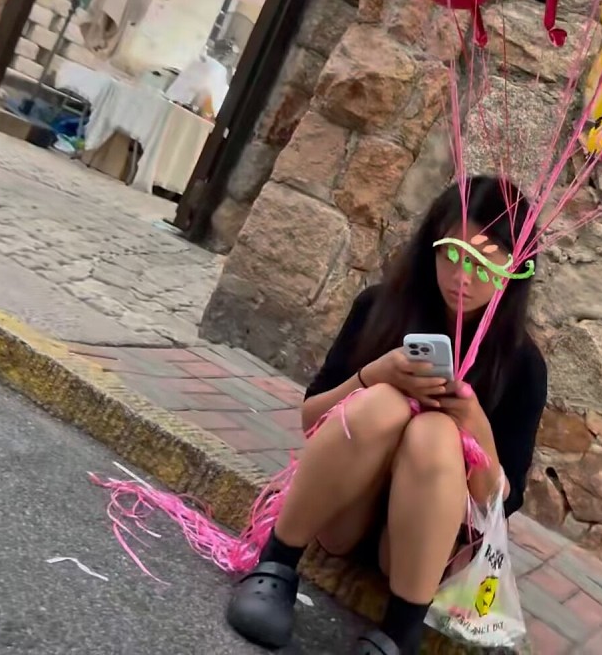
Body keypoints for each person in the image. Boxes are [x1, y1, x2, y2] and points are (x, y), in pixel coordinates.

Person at [225, 176, 548, 654]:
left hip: (417, 552)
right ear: (430, 246)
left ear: (515, 267)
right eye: (452, 254)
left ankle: (399, 633)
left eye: (483, 262)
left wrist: (473, 423)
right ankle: (275, 565)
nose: (463, 276)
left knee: (436, 432)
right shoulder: (380, 307)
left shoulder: (521, 364)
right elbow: (312, 420)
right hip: (342, 515)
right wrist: (372, 376)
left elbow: (499, 503)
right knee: (383, 403)